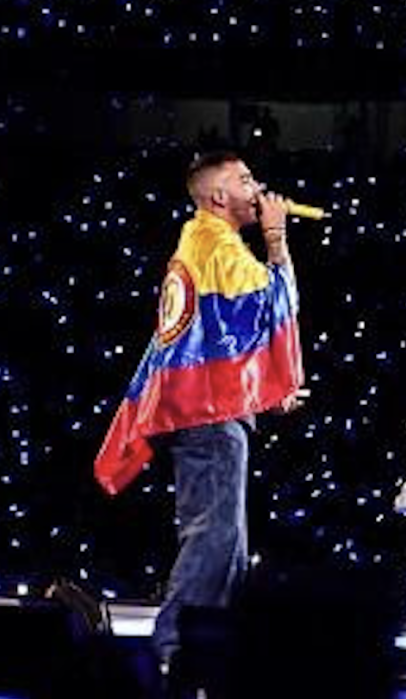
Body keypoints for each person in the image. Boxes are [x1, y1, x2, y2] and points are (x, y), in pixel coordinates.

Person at [94, 151, 306, 669]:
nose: (258, 189)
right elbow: (273, 305)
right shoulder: (215, 243)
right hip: (207, 418)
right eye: (245, 180)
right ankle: (172, 648)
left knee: (227, 545)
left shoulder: (202, 244)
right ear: (218, 196)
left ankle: (206, 651)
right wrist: (276, 238)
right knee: (212, 538)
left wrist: (264, 392)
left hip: (205, 412)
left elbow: (224, 338)